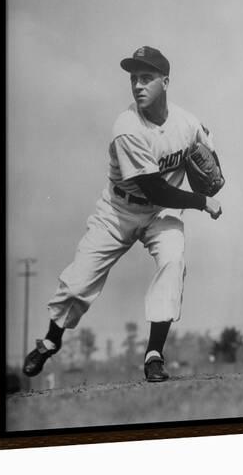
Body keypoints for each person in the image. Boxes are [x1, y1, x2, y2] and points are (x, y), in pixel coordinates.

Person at [23, 46, 223, 382]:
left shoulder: (188, 124)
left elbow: (212, 166)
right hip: (118, 211)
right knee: (77, 283)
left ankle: (154, 354)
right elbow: (153, 189)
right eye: (133, 79)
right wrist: (202, 202)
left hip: (163, 213)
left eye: (146, 78)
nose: (138, 85)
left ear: (166, 82)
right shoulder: (126, 127)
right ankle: (49, 342)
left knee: (174, 262)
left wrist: (214, 179)